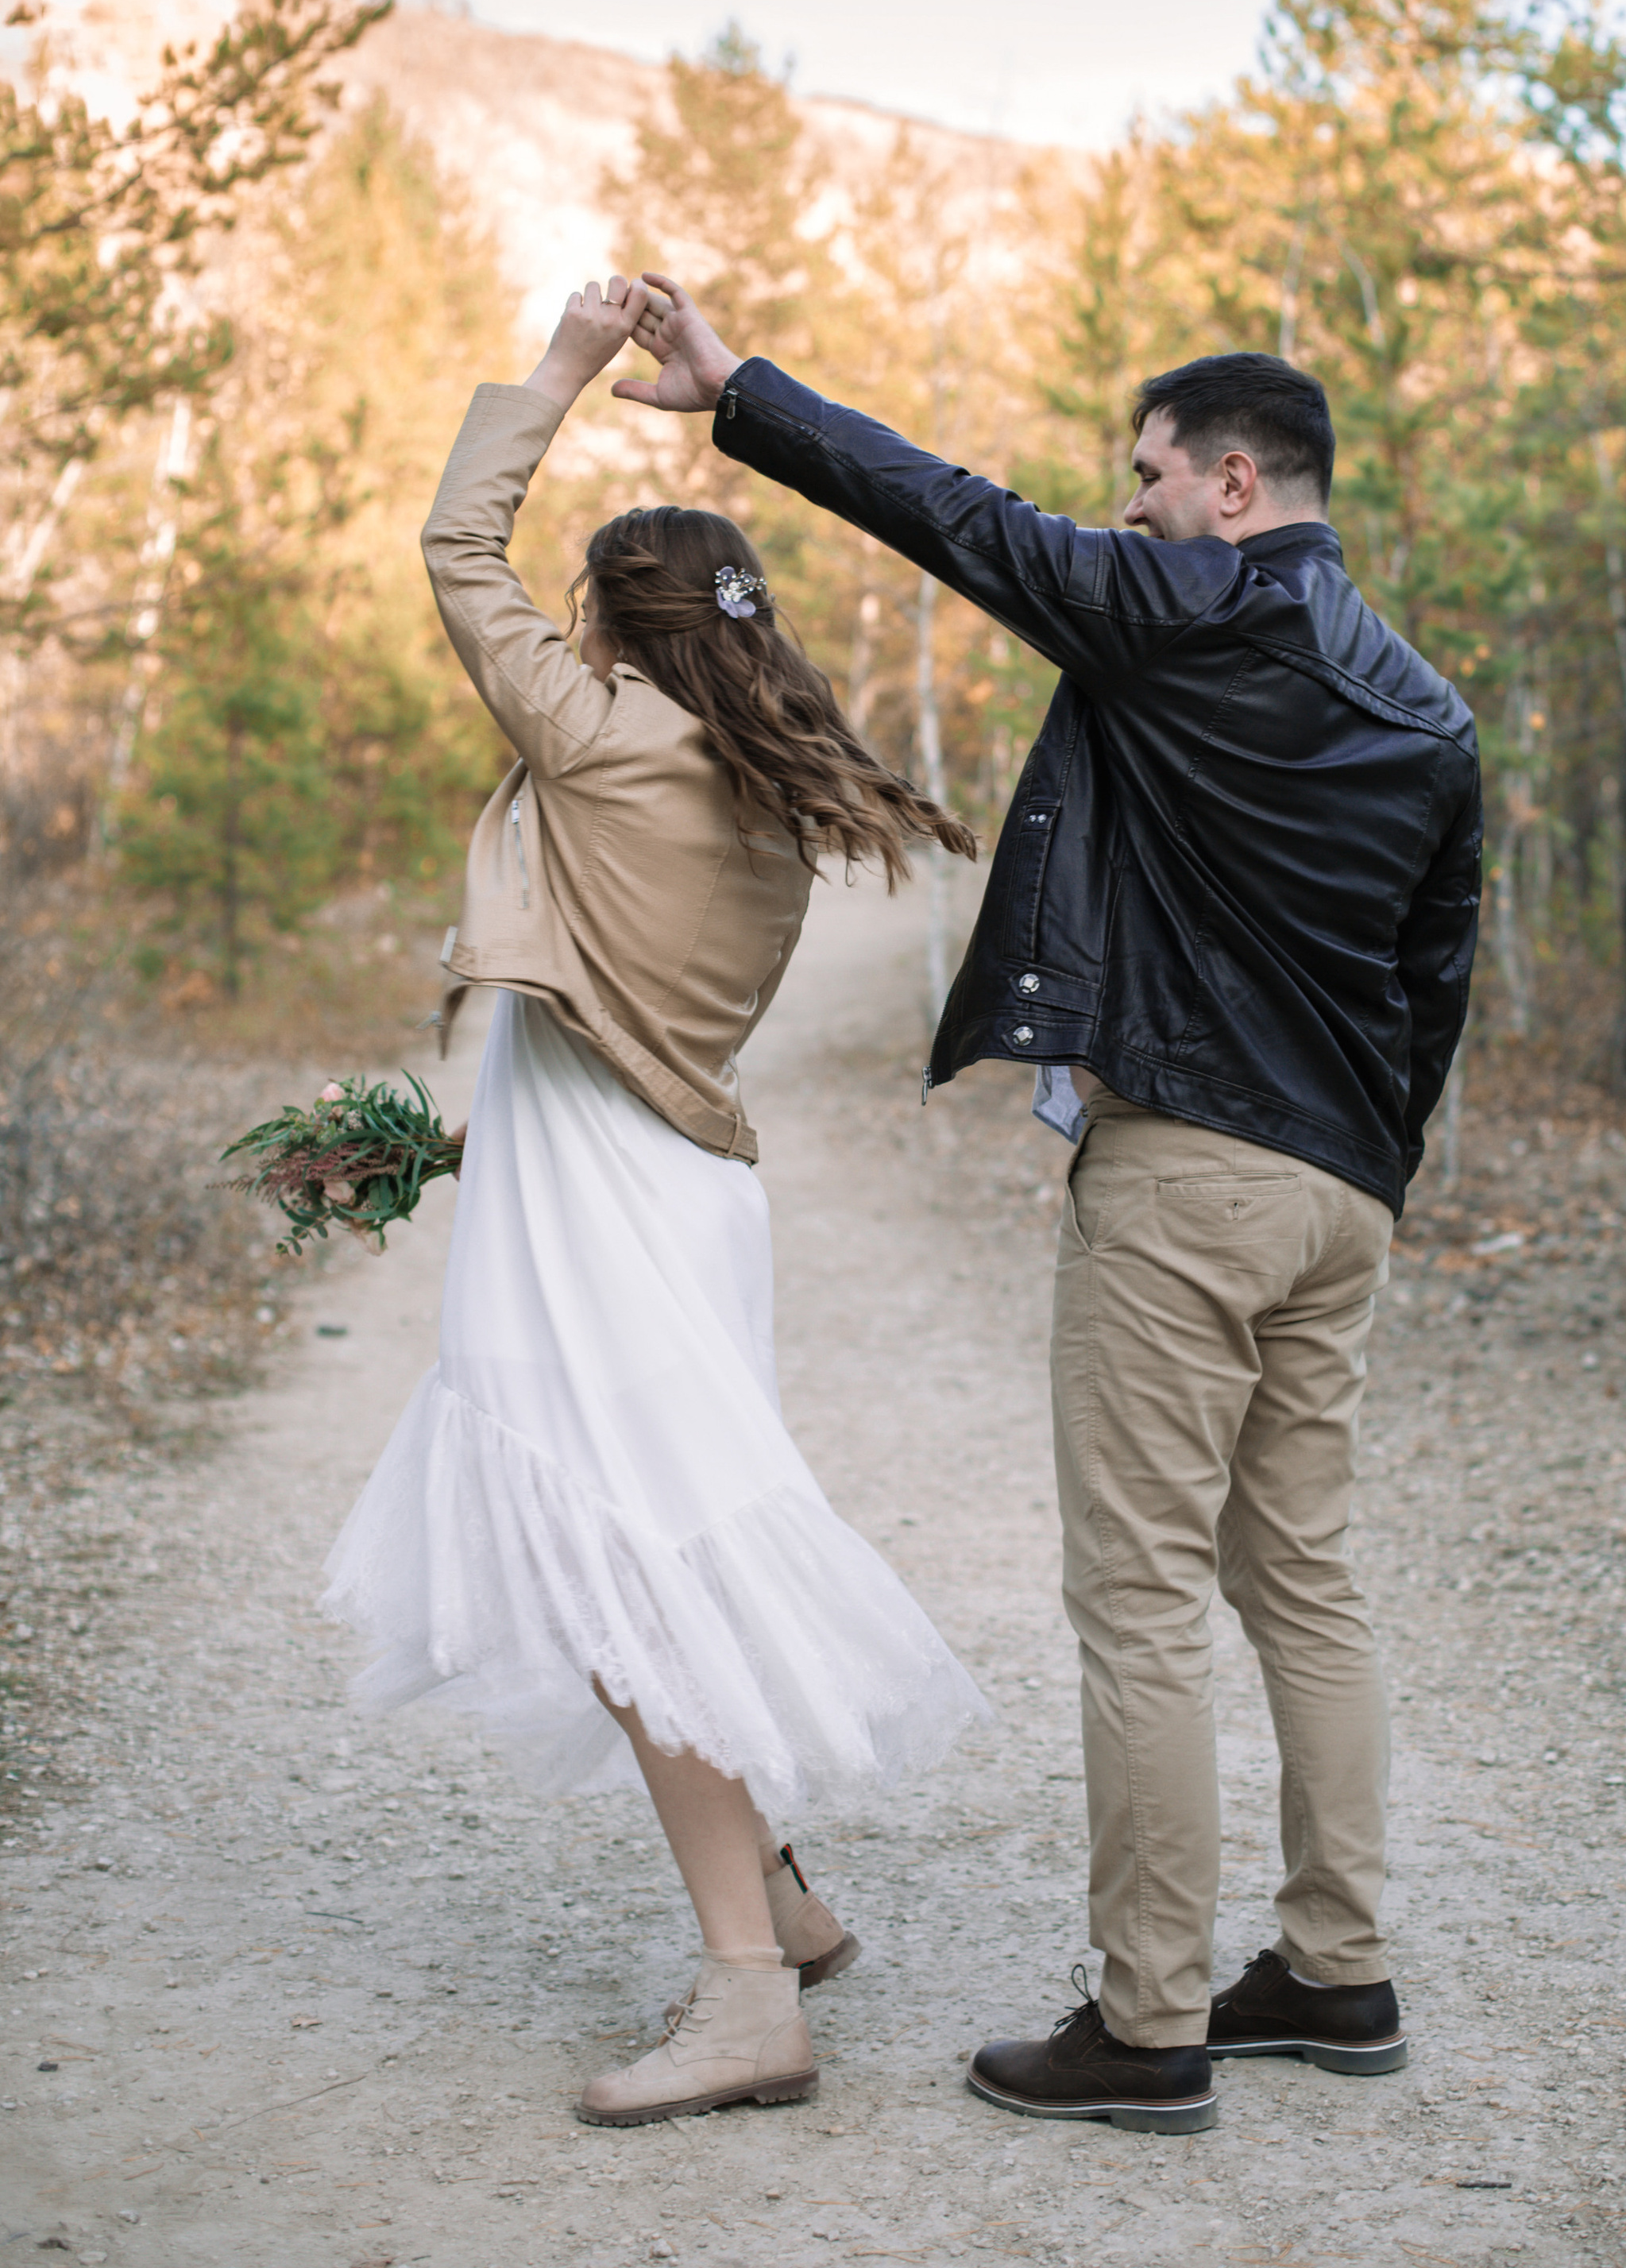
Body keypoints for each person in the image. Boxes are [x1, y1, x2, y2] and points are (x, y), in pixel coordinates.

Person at [606, 276, 1481, 2138]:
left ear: (1236, 485)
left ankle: (1149, 2021)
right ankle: (1336, 1974)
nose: (1130, 507)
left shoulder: (1188, 612)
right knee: (1302, 1580)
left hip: (1187, 1182)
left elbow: (955, 515)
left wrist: (733, 389)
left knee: (1143, 1594)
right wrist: (1366, 1167)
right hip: (1339, 1196)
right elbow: (1434, 975)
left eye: (1151, 474)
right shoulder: (1424, 702)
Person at [324, 277, 987, 2130]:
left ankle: (747, 1994)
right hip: (658, 1190)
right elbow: (610, 1024)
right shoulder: (762, 797)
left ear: (614, 628)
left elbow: (457, 544)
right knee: (653, 1550)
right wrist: (420, 1153)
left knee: (631, 1577)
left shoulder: (599, 740)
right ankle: (774, 1896)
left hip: (612, 1220)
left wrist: (554, 371)